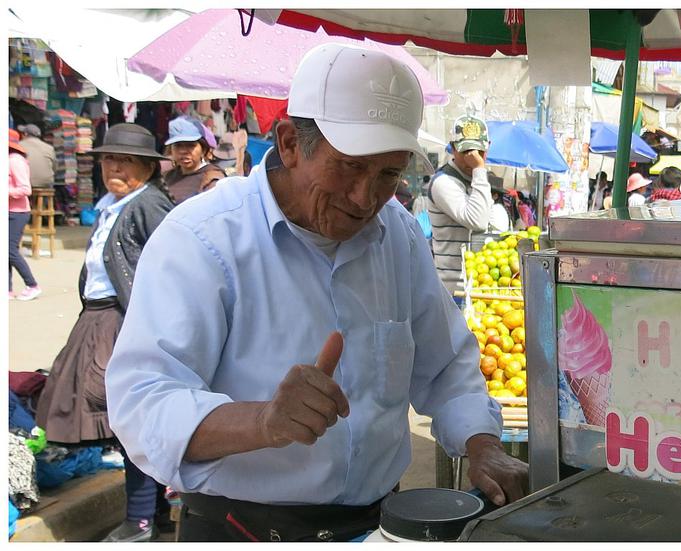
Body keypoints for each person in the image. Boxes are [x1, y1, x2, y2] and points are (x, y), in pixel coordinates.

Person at [104, 44, 527, 543]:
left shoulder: (398, 235)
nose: (365, 198)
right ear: (288, 143)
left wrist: (483, 446)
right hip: (244, 529)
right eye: (349, 166)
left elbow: (447, 367)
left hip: (377, 526)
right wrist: (262, 421)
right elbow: (142, 405)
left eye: (388, 174)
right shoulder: (203, 238)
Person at [33, 123, 175, 542]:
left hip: (121, 320)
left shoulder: (148, 205)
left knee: (127, 418)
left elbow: (171, 266)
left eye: (126, 161)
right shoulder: (115, 203)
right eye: (109, 159)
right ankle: (154, 514)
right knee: (122, 419)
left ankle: (141, 519)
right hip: (99, 320)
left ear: (148, 168)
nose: (114, 167)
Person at [426, 115, 493, 296]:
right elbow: (477, 221)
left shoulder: (478, 181)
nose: (472, 158)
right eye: (466, 152)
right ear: (453, 148)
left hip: (478, 286)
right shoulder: (443, 183)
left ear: (488, 148)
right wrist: (479, 168)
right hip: (454, 291)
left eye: (477, 152)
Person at [8, 129, 41, 301]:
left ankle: (32, 284)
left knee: (10, 250)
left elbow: (25, 189)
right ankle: (7, 288)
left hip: (17, 212)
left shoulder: (15, 161)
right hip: (8, 210)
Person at [163, 116, 226, 204]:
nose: (183, 151)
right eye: (178, 145)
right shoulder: (168, 176)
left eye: (190, 145)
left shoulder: (212, 179)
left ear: (203, 149)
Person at [17, 124, 56, 189]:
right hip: (46, 183)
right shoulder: (49, 148)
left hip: (26, 182)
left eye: (22, 133)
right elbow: (54, 168)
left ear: (26, 134)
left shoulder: (19, 145)